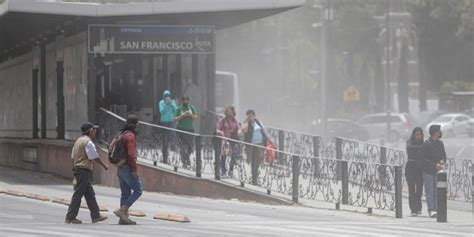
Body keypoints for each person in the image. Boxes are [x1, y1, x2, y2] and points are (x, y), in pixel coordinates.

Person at [65, 122, 109, 224]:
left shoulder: (78, 141)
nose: (95, 131)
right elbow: (94, 156)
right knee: (78, 194)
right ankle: (70, 217)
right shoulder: (88, 142)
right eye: (94, 129)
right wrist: (104, 165)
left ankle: (96, 216)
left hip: (79, 170)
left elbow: (72, 156)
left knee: (89, 194)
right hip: (83, 170)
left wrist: (75, 169)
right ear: (90, 130)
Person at [113, 115, 143, 225]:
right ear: (136, 124)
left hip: (120, 168)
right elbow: (131, 154)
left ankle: (123, 219)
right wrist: (134, 170)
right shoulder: (130, 136)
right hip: (128, 168)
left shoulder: (122, 134)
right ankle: (123, 210)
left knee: (125, 193)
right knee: (138, 190)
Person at [420, 124, 447, 218]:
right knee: (430, 190)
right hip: (428, 171)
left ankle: (437, 208)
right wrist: (434, 165)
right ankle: (431, 209)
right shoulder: (426, 144)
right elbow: (423, 159)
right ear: (434, 132)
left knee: (437, 190)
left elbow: (444, 155)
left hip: (438, 171)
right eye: (438, 131)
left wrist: (442, 161)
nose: (440, 132)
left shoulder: (440, 143)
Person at [242, 109, 269, 185]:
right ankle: (254, 180)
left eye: (252, 115)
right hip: (251, 145)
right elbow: (244, 130)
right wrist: (247, 121)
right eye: (249, 115)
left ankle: (255, 177)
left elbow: (264, 130)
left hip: (259, 144)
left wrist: (268, 138)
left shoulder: (258, 122)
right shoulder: (246, 123)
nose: (251, 117)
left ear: (254, 115)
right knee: (253, 161)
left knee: (257, 161)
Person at [216, 106, 242, 177]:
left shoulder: (235, 120)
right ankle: (223, 170)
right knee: (224, 155)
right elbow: (217, 129)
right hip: (225, 140)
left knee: (234, 154)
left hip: (232, 140)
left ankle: (231, 170)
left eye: (230, 110)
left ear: (232, 111)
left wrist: (239, 132)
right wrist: (221, 133)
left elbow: (238, 128)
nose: (228, 112)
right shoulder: (223, 120)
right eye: (227, 110)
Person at [175, 96, 198, 168]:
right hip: (181, 129)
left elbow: (196, 117)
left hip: (190, 129)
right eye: (184, 100)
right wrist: (182, 115)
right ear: (182, 101)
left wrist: (189, 114)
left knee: (190, 146)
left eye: (186, 100)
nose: (185, 101)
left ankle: (187, 157)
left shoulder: (191, 107)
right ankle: (184, 161)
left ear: (188, 101)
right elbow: (175, 119)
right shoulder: (179, 108)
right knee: (182, 146)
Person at [405, 127, 424, 216]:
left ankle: (418, 207)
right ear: (413, 135)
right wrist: (419, 148)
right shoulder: (409, 142)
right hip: (410, 167)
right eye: (416, 134)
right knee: (411, 189)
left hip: (420, 168)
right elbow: (409, 147)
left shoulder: (423, 143)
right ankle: (413, 209)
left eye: (420, 134)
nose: (418, 136)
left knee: (419, 189)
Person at [158, 90, 177, 163]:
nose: (167, 97)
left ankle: (173, 148)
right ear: (163, 96)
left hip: (171, 121)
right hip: (164, 122)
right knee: (165, 138)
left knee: (173, 134)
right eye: (165, 96)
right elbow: (161, 111)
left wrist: (171, 104)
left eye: (168, 95)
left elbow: (176, 110)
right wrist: (166, 105)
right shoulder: (161, 102)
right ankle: (165, 155)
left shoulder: (173, 102)